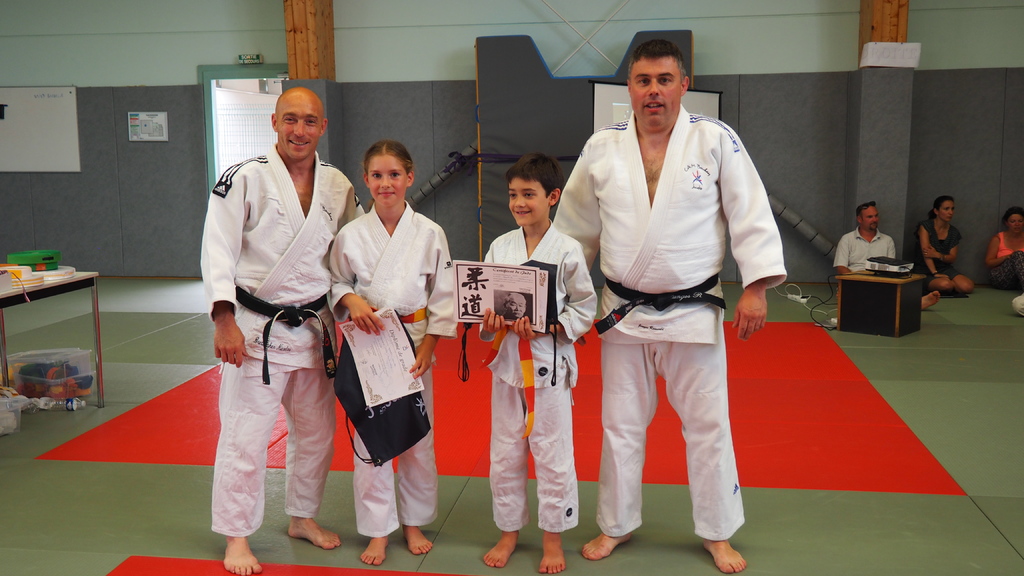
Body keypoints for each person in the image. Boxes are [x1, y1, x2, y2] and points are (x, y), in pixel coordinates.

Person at [554, 39, 786, 574]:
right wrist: (561, 300)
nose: (653, 91)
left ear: (683, 84)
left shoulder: (715, 139)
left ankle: (717, 532)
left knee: (708, 425)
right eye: (643, 80)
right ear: (629, 88)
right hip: (622, 312)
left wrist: (756, 287)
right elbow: (575, 231)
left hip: (693, 311)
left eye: (664, 80)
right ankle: (616, 524)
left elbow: (749, 211)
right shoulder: (601, 148)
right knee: (620, 425)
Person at [200, 86, 362, 576]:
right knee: (245, 436)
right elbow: (217, 250)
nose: (299, 130)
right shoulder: (243, 178)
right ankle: (236, 536)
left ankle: (302, 517)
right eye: (290, 119)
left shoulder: (339, 185)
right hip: (256, 329)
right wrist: (223, 319)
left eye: (310, 121)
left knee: (316, 434)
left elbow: (351, 255)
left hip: (316, 329)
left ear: (323, 127)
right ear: (274, 122)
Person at [329, 139, 457, 566]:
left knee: (418, 435)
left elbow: (444, 295)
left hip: (414, 341)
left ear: (410, 177)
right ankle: (377, 529)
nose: (386, 183)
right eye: (377, 175)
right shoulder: (351, 234)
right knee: (371, 437)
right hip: (368, 344)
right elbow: (336, 281)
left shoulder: (429, 233)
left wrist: (430, 345)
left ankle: (414, 521)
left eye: (394, 175)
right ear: (365, 179)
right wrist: (351, 300)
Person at [479, 153, 597, 574]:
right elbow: (484, 305)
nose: (519, 203)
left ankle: (552, 538)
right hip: (509, 368)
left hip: (550, 369)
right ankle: (508, 531)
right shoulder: (500, 246)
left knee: (552, 454)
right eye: (513, 194)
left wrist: (552, 327)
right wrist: (490, 324)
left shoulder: (567, 250)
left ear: (553, 197)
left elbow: (585, 306)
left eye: (529, 194)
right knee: (504, 453)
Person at [834, 201, 940, 310]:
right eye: (870, 217)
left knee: (887, 291)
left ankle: (912, 304)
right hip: (854, 281)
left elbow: (892, 269)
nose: (874, 219)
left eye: (876, 216)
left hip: (879, 282)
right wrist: (858, 281)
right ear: (859, 219)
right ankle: (915, 305)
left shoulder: (887, 240)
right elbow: (841, 268)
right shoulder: (847, 239)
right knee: (864, 297)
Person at [913, 195, 975, 295]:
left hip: (944, 268)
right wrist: (935, 273)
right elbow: (927, 253)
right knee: (946, 285)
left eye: (952, 209)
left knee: (968, 287)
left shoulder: (953, 232)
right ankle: (937, 284)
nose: (950, 212)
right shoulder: (925, 226)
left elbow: (952, 258)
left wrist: (938, 255)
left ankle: (950, 284)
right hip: (924, 269)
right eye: (946, 209)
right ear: (936, 211)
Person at [984, 206, 1024, 292]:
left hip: (1019, 280)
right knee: (1018, 254)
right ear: (1007, 223)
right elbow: (989, 263)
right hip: (1001, 278)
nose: (1017, 224)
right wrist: (1007, 257)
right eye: (1013, 221)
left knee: (1019, 256)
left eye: (1020, 221)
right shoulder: (998, 239)